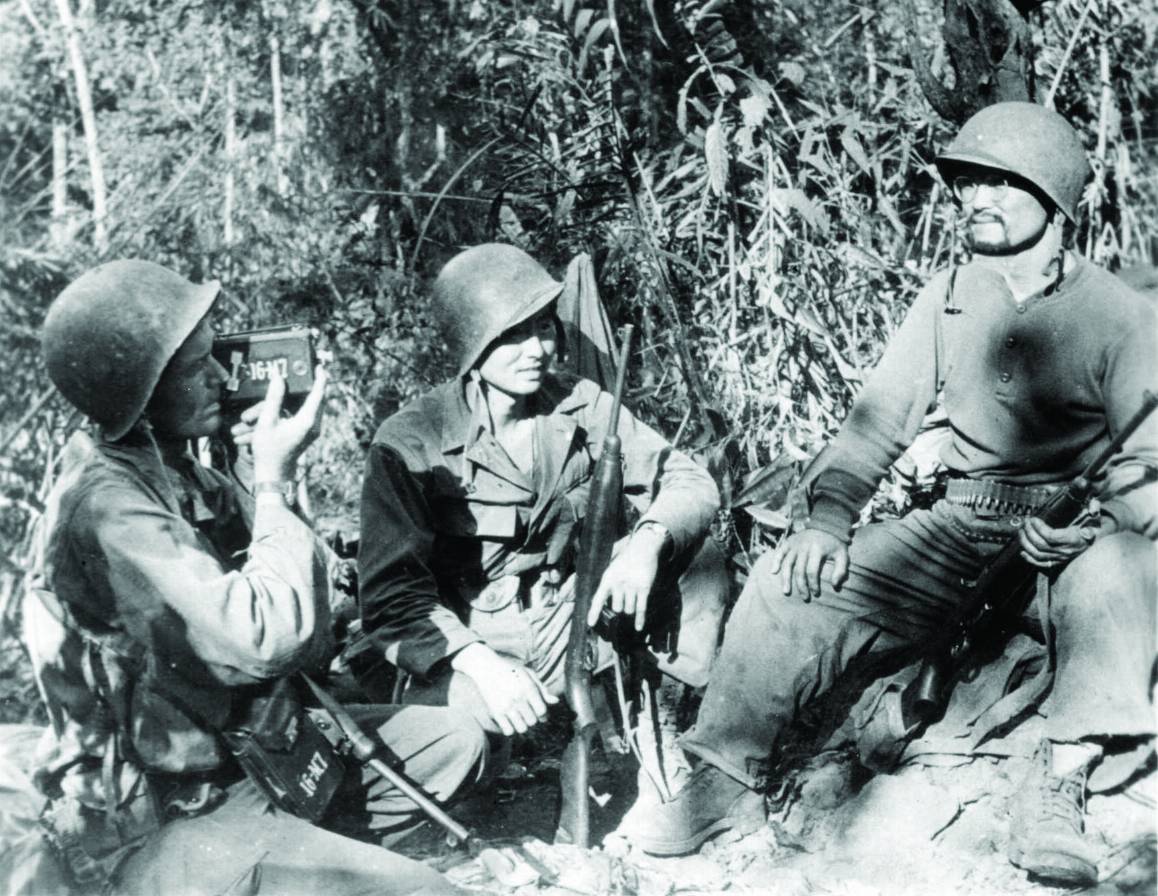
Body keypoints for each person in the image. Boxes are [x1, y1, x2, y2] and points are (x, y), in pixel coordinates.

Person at [628, 102, 1158, 887]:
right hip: (957, 522)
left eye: (999, 184)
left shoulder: (1121, 316)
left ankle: (1057, 787)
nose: (974, 198)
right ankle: (725, 775)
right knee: (785, 580)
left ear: (1054, 201)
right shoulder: (947, 295)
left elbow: (1146, 464)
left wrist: (1094, 527)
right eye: (967, 182)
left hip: (1068, 540)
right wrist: (827, 520)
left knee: (1123, 570)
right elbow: (873, 426)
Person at [28, 259, 484, 896]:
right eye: (196, 368)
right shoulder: (107, 509)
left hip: (259, 753)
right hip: (174, 815)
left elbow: (324, 599)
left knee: (459, 738)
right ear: (140, 389)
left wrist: (262, 476)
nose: (222, 378)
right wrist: (270, 483)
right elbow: (270, 640)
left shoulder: (179, 471)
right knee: (427, 892)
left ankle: (307, 860)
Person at [356, 243, 727, 835]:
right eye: (512, 335)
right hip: (472, 636)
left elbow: (686, 479)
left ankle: (671, 736)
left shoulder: (578, 404)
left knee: (696, 556)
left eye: (544, 329)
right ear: (472, 348)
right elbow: (390, 599)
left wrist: (645, 544)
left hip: (573, 616)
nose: (538, 350)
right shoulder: (411, 442)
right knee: (459, 754)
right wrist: (480, 665)